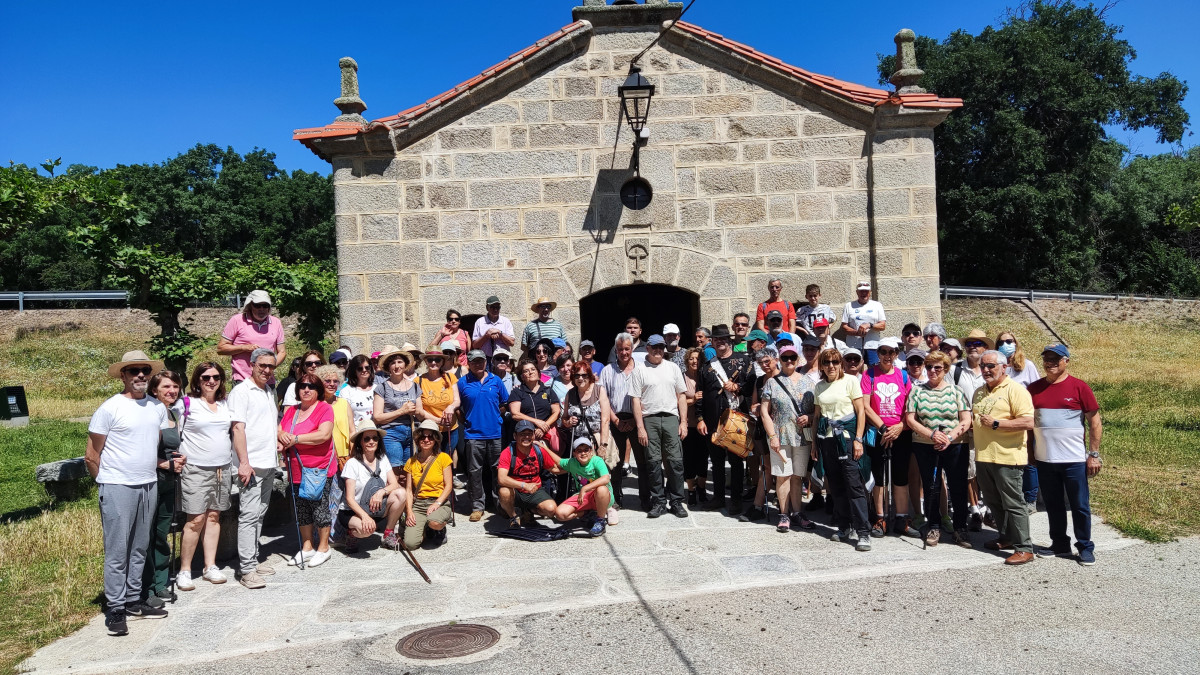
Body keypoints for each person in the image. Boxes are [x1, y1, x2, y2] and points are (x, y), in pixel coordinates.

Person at [86, 350, 171, 635]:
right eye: (133, 371)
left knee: (139, 546)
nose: (140, 376)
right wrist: (106, 484)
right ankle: (116, 607)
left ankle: (134, 599)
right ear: (123, 375)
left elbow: (150, 444)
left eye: (144, 370)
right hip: (117, 486)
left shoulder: (156, 407)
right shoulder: (109, 408)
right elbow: (91, 455)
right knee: (117, 550)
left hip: (148, 483)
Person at [1028, 345, 1102, 565]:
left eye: (1055, 359)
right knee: (1053, 505)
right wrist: (1030, 452)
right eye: (1047, 358)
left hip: (1074, 460)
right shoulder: (1034, 389)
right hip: (1045, 459)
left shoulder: (1080, 387)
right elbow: (1028, 423)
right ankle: (1060, 544)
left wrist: (1094, 454)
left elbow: (1095, 423)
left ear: (1066, 361)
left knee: (1079, 505)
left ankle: (1085, 546)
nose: (1050, 362)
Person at [174, 362, 235, 591]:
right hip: (196, 468)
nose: (211, 381)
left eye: (216, 377)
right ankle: (185, 570)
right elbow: (172, 431)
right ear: (197, 380)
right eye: (206, 377)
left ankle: (210, 566)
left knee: (213, 517)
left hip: (222, 468)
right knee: (195, 519)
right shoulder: (186, 404)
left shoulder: (224, 404)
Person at [972, 350, 1036, 565]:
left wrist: (998, 424)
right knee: (993, 501)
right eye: (983, 366)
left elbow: (1028, 422)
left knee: (1013, 503)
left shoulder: (1016, 390)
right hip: (984, 455)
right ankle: (1006, 537)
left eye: (991, 366)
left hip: (1008, 457)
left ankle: (1024, 548)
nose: (986, 370)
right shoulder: (980, 392)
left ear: (1004, 367)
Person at [905, 350, 974, 548]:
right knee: (931, 487)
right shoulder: (917, 391)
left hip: (955, 445)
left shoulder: (956, 391)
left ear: (946, 369)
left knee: (958, 486)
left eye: (938, 367)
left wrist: (949, 436)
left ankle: (960, 527)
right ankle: (933, 525)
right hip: (926, 445)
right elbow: (910, 419)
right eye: (929, 367)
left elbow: (966, 419)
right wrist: (932, 435)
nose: (933, 371)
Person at [811, 348, 871, 552]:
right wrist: (814, 444)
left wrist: (858, 439)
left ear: (841, 364)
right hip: (826, 440)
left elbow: (860, 411)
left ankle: (863, 531)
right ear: (822, 365)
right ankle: (845, 526)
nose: (831, 366)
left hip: (846, 439)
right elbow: (817, 417)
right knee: (835, 485)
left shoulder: (850, 382)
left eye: (835, 362)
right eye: (826, 362)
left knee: (854, 485)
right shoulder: (819, 386)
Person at [229, 348, 280, 590]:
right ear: (251, 364)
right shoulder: (241, 392)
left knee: (260, 512)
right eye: (262, 365)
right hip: (251, 465)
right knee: (248, 515)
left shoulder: (269, 391)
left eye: (271, 366)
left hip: (268, 462)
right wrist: (244, 462)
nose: (267, 370)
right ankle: (246, 568)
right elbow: (238, 429)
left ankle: (253, 557)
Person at [859, 338, 917, 538]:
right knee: (879, 475)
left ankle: (901, 518)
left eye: (891, 352)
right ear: (878, 353)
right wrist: (883, 427)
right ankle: (880, 517)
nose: (887, 356)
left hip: (901, 432)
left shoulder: (903, 376)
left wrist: (900, 426)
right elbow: (865, 406)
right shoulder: (869, 374)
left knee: (900, 476)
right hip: (879, 431)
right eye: (883, 351)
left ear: (897, 354)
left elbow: (911, 405)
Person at [696, 324, 754, 515]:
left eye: (723, 339)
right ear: (712, 342)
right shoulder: (706, 367)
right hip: (713, 421)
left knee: (737, 462)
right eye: (716, 339)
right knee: (717, 461)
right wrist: (700, 418)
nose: (720, 342)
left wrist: (737, 388)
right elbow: (700, 394)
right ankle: (719, 497)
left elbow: (752, 385)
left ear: (729, 340)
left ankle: (736, 499)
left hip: (737, 419)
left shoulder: (744, 361)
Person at [279, 373, 336, 567]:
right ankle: (307, 547)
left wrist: (295, 439)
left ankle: (323, 547)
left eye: (311, 386)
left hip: (318, 467)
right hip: (296, 466)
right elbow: (279, 429)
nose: (306, 389)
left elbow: (324, 435)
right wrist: (282, 439)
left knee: (318, 507)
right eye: (302, 386)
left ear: (318, 390)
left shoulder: (324, 408)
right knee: (301, 509)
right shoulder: (292, 410)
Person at [631, 334, 689, 518]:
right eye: (654, 347)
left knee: (675, 462)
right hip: (650, 419)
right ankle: (658, 501)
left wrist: (684, 422)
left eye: (661, 347)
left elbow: (681, 396)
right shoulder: (639, 370)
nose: (658, 350)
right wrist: (640, 427)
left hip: (671, 417)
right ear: (647, 348)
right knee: (653, 463)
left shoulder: (672, 368)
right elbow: (635, 400)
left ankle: (677, 500)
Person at [760, 344, 816, 531]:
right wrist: (772, 436)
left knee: (798, 476)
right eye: (785, 358)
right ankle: (783, 514)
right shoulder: (772, 382)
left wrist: (810, 418)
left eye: (793, 357)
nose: (789, 361)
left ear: (798, 359)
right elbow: (764, 412)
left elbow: (817, 411)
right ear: (780, 361)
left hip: (802, 437)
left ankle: (797, 512)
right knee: (783, 476)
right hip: (780, 435)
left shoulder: (809, 382)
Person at [141, 371, 185, 609]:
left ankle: (160, 582)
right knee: (148, 534)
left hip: (169, 479)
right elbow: (142, 450)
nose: (172, 390)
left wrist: (177, 459)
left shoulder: (170, 412)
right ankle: (146, 587)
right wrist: (164, 463)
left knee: (162, 532)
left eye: (176, 386)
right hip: (152, 479)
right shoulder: (149, 412)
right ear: (154, 390)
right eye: (166, 386)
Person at [458, 350, 509, 522]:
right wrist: (466, 420)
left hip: (495, 433)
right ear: (469, 364)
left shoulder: (496, 380)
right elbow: (457, 407)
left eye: (481, 361)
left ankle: (499, 504)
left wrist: (495, 415)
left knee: (497, 471)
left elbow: (504, 403)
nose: (478, 364)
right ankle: (477, 507)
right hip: (473, 434)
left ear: (486, 362)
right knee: (474, 472)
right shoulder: (462, 383)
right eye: (474, 362)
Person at [339, 421, 406, 551]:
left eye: (375, 438)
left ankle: (388, 534)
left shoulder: (382, 458)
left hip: (375, 507)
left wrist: (381, 492)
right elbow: (349, 499)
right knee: (368, 531)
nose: (371, 442)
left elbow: (394, 484)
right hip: (353, 511)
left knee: (401, 493)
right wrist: (364, 516)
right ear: (360, 442)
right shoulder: (352, 464)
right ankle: (352, 534)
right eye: (367, 439)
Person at [996, 330, 1041, 514]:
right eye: (1001, 342)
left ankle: (1030, 499)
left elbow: (1037, 390)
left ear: (1016, 343)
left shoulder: (1027, 366)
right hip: (1003, 423)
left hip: (1023, 421)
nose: (1005, 344)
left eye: (1009, 341)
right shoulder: (997, 366)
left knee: (1028, 459)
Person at [599, 332, 645, 509]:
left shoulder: (641, 368)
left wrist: (635, 420)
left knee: (642, 461)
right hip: (615, 419)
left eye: (627, 349)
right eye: (620, 349)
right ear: (615, 350)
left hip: (636, 419)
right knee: (615, 462)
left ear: (632, 348)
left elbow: (645, 396)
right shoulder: (607, 370)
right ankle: (615, 497)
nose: (624, 352)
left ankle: (645, 498)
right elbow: (604, 399)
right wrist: (616, 420)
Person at [498, 420, 562, 526]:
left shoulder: (539, 451)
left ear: (533, 435)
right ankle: (513, 516)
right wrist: (524, 485)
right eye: (522, 434)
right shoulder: (508, 452)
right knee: (504, 491)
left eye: (529, 434)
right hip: (516, 490)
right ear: (515, 436)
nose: (526, 437)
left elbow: (554, 469)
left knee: (551, 510)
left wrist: (575, 468)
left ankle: (528, 511)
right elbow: (501, 478)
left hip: (534, 490)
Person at [403, 420, 455, 549]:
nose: (426, 440)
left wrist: (437, 503)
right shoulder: (411, 461)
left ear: (436, 440)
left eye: (430, 436)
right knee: (410, 544)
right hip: (419, 504)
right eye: (423, 436)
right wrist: (409, 511)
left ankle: (438, 529)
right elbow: (409, 490)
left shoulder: (443, 458)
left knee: (435, 522)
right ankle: (425, 528)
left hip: (438, 502)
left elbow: (449, 485)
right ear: (417, 439)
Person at [372, 347, 423, 476]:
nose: (396, 366)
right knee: (395, 470)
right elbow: (377, 417)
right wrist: (402, 411)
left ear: (405, 365)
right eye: (393, 363)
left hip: (411, 431)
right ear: (388, 367)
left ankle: (407, 496)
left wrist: (435, 418)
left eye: (400, 362)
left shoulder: (415, 386)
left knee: (408, 471)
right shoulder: (382, 387)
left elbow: (420, 412)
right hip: (391, 433)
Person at [217, 290, 286, 384]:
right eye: (257, 305)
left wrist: (269, 367)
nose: (261, 309)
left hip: (267, 381)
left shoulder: (276, 322)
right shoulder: (237, 320)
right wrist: (244, 347)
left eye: (265, 306)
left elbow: (282, 351)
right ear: (250, 305)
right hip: (243, 380)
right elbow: (221, 349)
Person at [552, 437, 612, 536]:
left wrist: (585, 488)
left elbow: (606, 478)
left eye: (586, 450)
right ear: (574, 453)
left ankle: (600, 520)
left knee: (601, 489)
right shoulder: (572, 462)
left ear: (591, 451)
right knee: (560, 514)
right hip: (583, 497)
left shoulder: (597, 460)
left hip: (601, 496)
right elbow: (558, 461)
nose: (583, 453)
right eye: (579, 451)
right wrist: (542, 447)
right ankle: (588, 513)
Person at [509, 358, 562, 454]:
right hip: (525, 435)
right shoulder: (517, 392)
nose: (530, 372)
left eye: (533, 369)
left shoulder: (548, 390)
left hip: (546, 433)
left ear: (538, 372)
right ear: (522, 376)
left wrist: (543, 427)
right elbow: (515, 414)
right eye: (526, 371)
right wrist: (536, 422)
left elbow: (556, 411)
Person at [419, 350, 461, 456]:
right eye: (430, 360)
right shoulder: (418, 381)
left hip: (450, 428)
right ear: (426, 361)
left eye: (437, 360)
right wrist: (438, 421)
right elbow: (419, 411)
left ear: (442, 362)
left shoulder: (450, 377)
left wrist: (451, 407)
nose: (434, 362)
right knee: (432, 460)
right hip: (430, 430)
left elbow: (457, 400)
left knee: (447, 459)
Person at [681, 348, 707, 505]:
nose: (694, 361)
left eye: (697, 358)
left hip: (703, 425)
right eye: (691, 358)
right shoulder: (682, 378)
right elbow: (678, 401)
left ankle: (702, 489)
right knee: (689, 459)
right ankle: (691, 491)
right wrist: (694, 400)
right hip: (688, 424)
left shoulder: (705, 376)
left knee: (703, 459)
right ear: (687, 360)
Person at [315, 365, 353, 471]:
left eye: (335, 381)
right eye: (327, 381)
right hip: (323, 457)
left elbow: (352, 431)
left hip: (344, 457)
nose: (332, 384)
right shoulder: (315, 405)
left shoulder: (344, 403)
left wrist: (354, 455)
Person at [840, 280, 886, 366]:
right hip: (853, 345)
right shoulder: (849, 306)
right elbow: (844, 327)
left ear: (870, 292)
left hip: (872, 345)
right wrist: (857, 332)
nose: (863, 293)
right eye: (861, 291)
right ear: (857, 292)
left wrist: (870, 325)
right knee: (853, 369)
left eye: (866, 291)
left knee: (873, 370)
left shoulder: (877, 305)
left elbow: (882, 325)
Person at [472, 295, 516, 362]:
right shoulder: (479, 322)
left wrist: (500, 334)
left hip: (502, 358)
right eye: (492, 307)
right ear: (487, 308)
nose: (495, 310)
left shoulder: (506, 321)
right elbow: (475, 345)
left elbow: (512, 343)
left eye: (497, 307)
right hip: (485, 359)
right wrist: (486, 336)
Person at [341, 355, 376, 425]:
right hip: (357, 431)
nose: (364, 370)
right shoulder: (346, 391)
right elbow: (344, 416)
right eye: (360, 368)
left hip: (376, 431)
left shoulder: (377, 388)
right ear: (354, 371)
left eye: (367, 367)